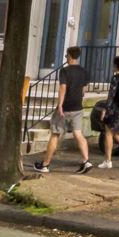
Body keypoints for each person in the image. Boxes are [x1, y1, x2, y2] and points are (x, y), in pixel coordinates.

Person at [33, 46, 93, 175]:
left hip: (65, 107)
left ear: (70, 56)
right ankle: (86, 161)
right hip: (78, 106)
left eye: (66, 56)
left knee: (55, 134)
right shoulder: (84, 71)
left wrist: (60, 105)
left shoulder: (65, 71)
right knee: (78, 133)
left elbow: (62, 88)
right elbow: (84, 89)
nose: (66, 58)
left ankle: (45, 165)